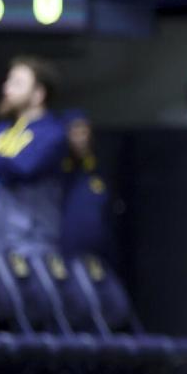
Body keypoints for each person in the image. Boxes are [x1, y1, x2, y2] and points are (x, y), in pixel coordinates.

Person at [0, 56, 67, 258]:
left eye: (17, 83)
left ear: (38, 94)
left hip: (33, 241)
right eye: (8, 82)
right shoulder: (1, 130)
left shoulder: (52, 133)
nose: (7, 88)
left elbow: (23, 167)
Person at [60, 110, 113, 261]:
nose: (81, 138)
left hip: (95, 255)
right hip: (61, 254)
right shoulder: (56, 172)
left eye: (84, 132)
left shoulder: (98, 170)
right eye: (74, 132)